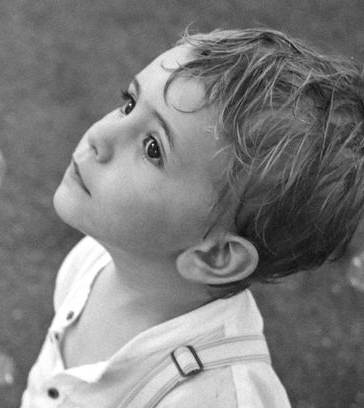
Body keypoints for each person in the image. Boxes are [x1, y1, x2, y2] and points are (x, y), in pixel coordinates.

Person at [20, 28, 364, 407]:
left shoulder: (209, 397)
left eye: (153, 148)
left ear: (214, 256)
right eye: (129, 103)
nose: (100, 136)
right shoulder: (93, 260)